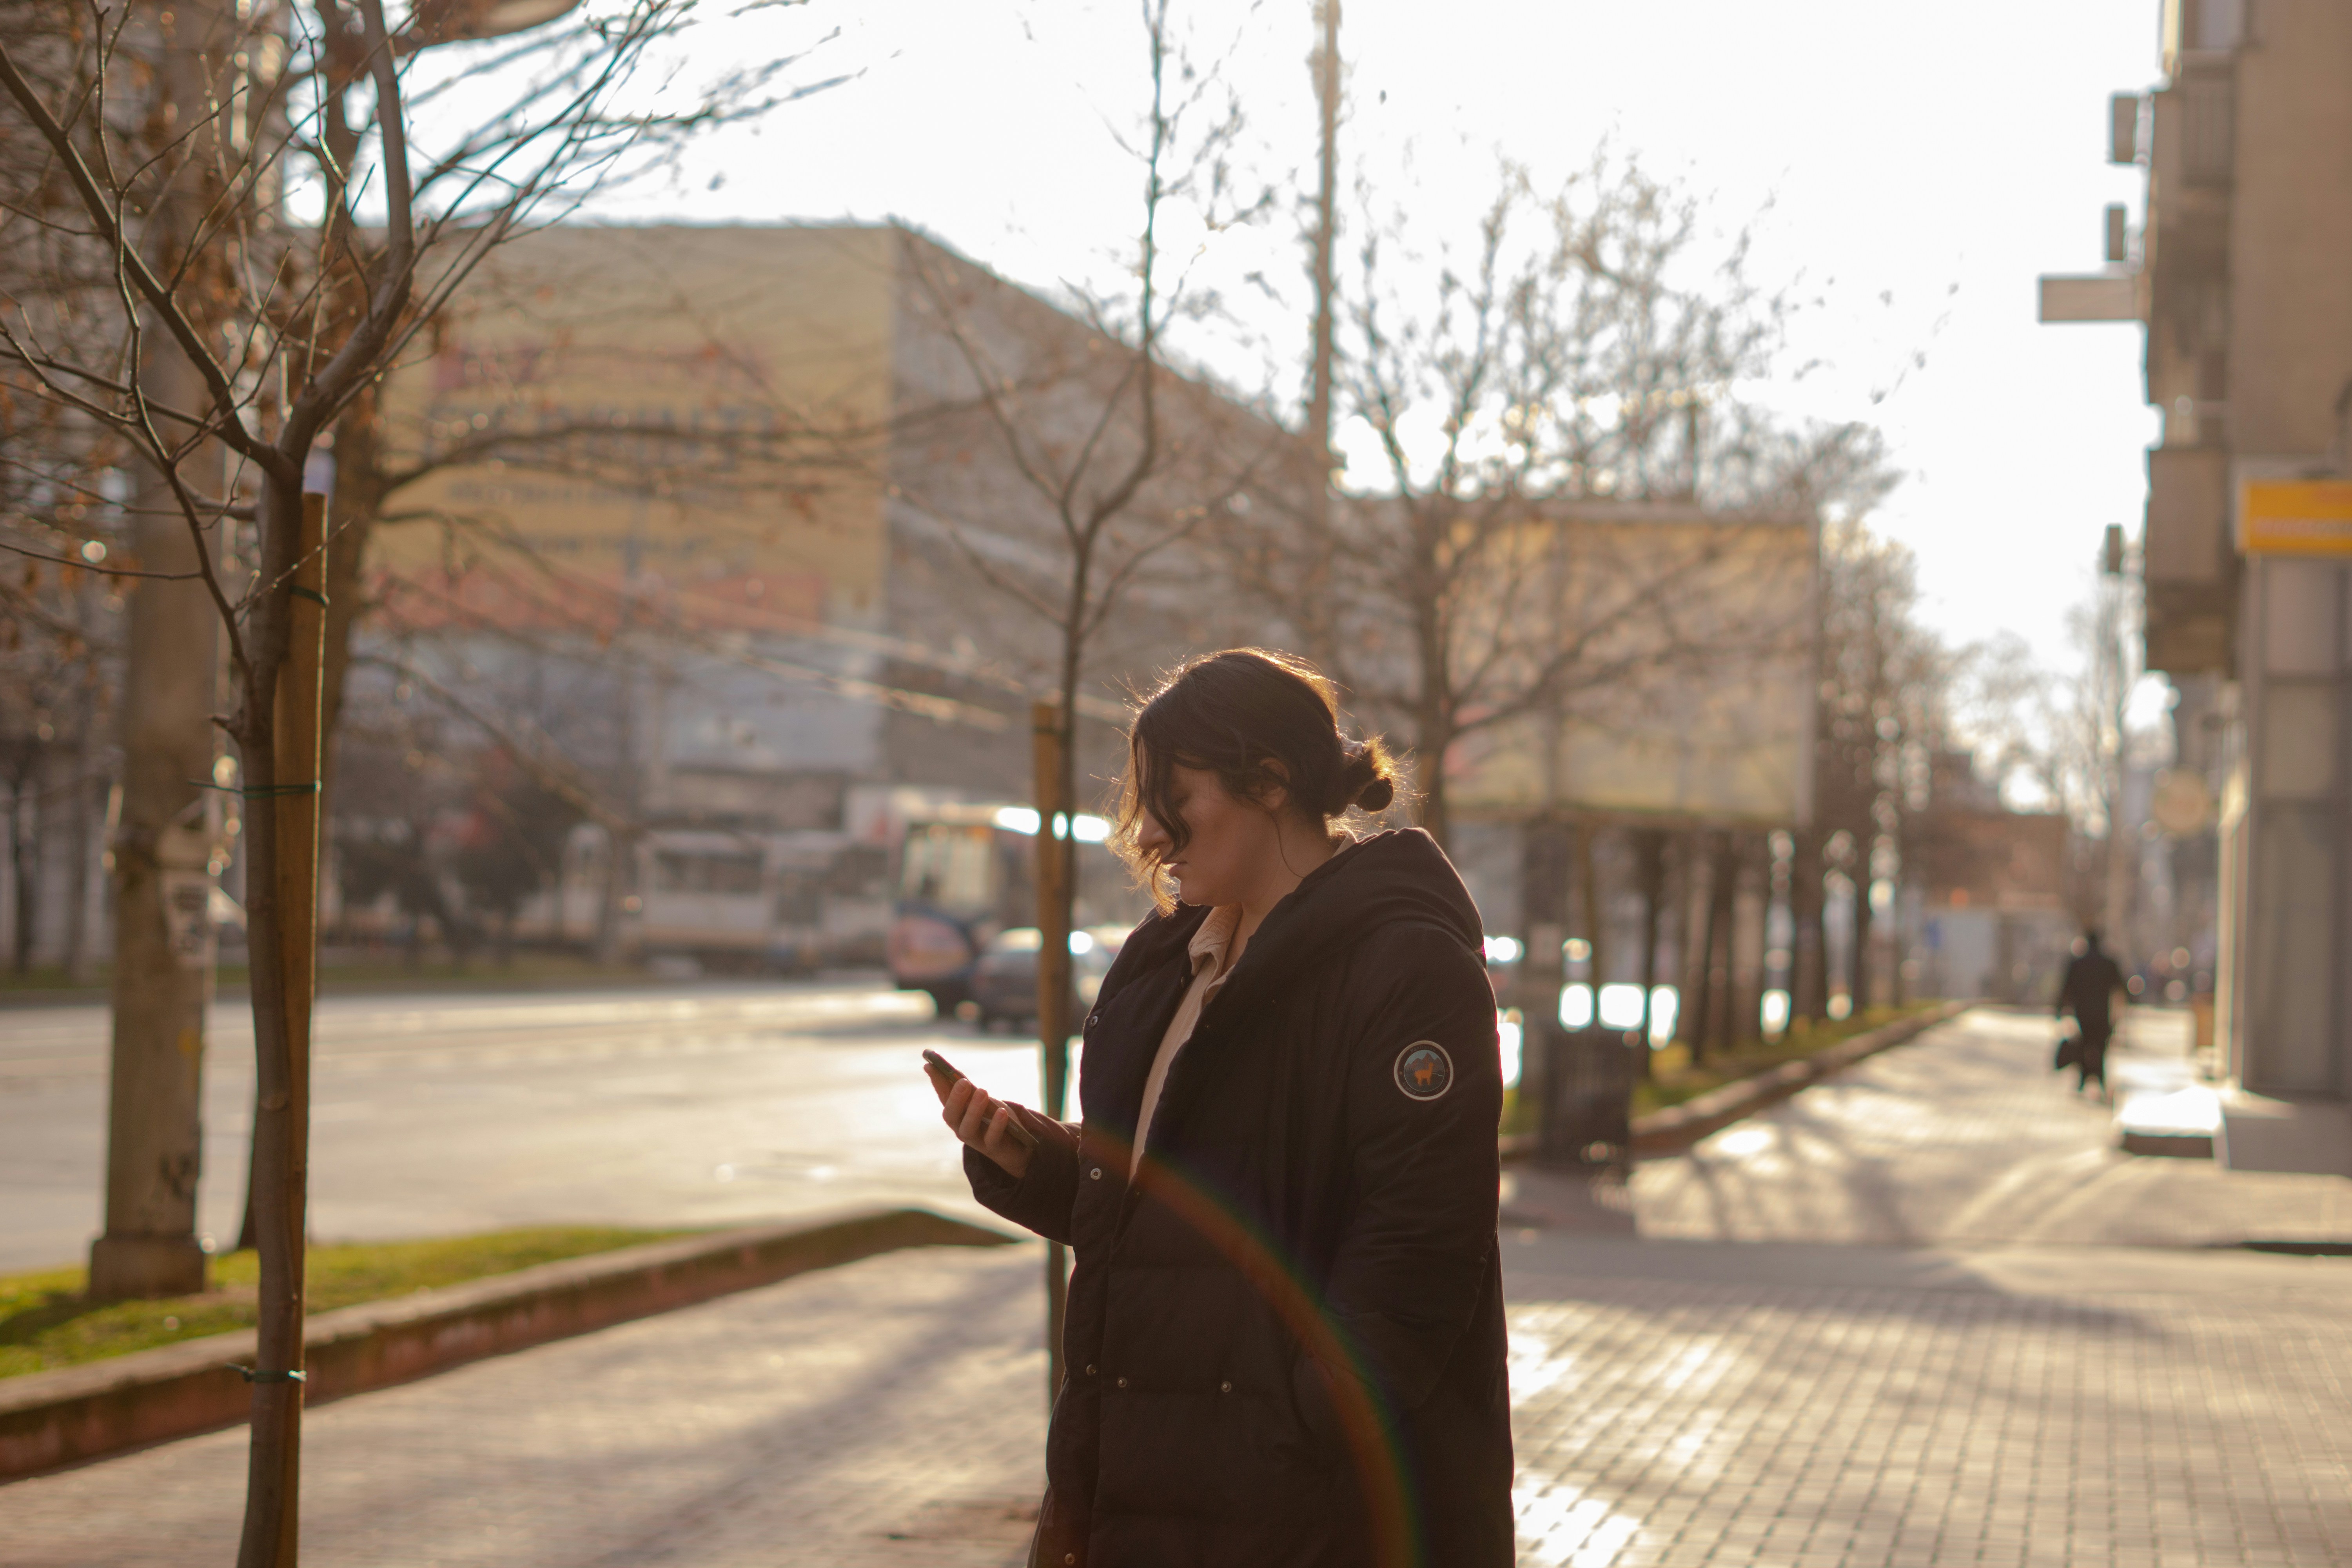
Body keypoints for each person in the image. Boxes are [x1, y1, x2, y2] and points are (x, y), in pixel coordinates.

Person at [936, 648, 1512, 1568]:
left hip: (1308, 1517)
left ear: (1270, 782)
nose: (1153, 833)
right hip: (1133, 1489)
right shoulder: (1164, 962)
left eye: (1177, 798)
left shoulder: (1408, 970)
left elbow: (1418, 1249)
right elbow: (1178, 1203)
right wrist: (1040, 1160)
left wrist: (1295, 1428)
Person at [2055, 927, 2127, 1100]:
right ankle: (2099, 1079)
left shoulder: (2077, 963)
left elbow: (2066, 989)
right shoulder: (2109, 963)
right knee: (2101, 1047)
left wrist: (2059, 1010)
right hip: (2103, 1014)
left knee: (2084, 1045)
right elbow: (2121, 987)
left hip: (2083, 1014)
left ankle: (2083, 1079)